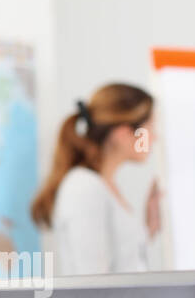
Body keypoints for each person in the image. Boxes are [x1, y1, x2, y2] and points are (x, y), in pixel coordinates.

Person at [30, 83, 161, 275]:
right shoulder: (85, 188)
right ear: (123, 133)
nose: (154, 137)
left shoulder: (103, 185)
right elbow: (93, 281)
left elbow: (122, 264)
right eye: (148, 128)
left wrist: (148, 229)